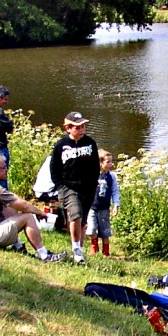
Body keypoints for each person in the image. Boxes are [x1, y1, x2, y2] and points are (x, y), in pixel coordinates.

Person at [0, 153, 65, 261]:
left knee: (10, 207)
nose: (6, 170)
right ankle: (44, 255)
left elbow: (14, 200)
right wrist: (39, 212)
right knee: (28, 217)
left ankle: (18, 246)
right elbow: (24, 206)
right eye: (3, 167)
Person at [49, 111, 101, 264]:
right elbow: (54, 166)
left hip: (87, 188)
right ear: (68, 128)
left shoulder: (90, 143)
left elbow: (95, 166)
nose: (81, 130)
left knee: (83, 221)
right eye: (77, 127)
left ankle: (79, 254)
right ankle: (76, 247)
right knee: (75, 214)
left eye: (83, 126)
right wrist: (59, 185)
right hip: (68, 187)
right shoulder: (61, 145)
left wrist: (93, 183)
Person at [87, 149, 120, 257]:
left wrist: (116, 205)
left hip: (104, 208)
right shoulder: (92, 174)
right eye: (108, 162)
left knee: (105, 231)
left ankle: (106, 251)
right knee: (91, 229)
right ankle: (94, 247)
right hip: (92, 207)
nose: (111, 164)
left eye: (111, 161)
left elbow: (115, 191)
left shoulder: (111, 177)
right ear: (100, 163)